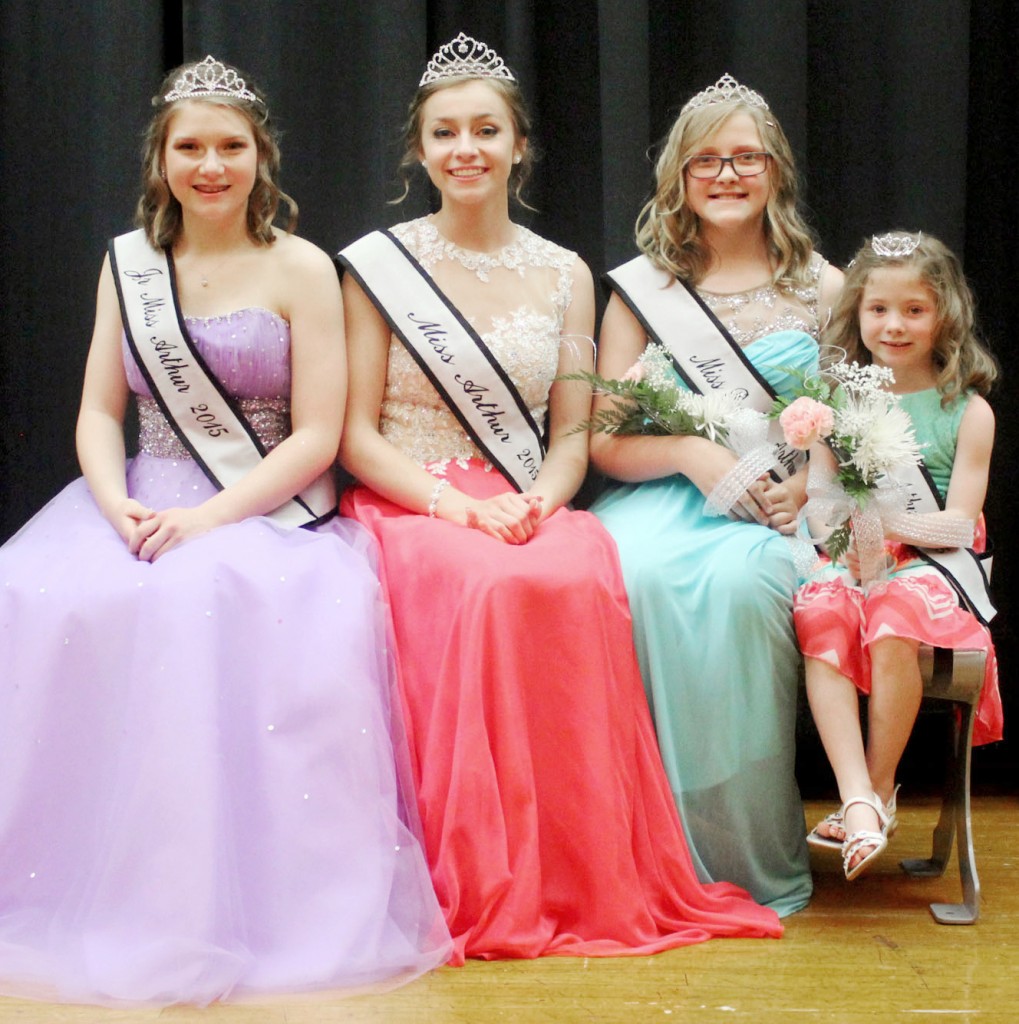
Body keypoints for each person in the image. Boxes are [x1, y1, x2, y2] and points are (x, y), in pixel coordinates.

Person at [0, 56, 449, 1006]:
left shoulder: (300, 266)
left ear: (261, 156)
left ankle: (230, 908)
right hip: (141, 493)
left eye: (230, 146)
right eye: (190, 147)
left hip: (260, 507)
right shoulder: (127, 262)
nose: (211, 165)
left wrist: (204, 519)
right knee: (34, 586)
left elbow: (321, 435)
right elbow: (95, 411)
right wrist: (112, 497)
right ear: (160, 159)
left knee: (205, 598)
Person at [337, 36, 783, 962]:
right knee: (494, 588)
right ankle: (484, 875)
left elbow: (574, 433)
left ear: (519, 145)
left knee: (582, 570)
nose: (467, 148)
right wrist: (453, 508)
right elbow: (355, 436)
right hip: (414, 502)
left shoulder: (566, 272)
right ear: (418, 152)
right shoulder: (375, 267)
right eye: (445, 132)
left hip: (523, 496)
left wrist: (540, 498)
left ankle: (581, 872)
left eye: (486, 130)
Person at [588, 74, 843, 916]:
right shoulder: (639, 290)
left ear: (774, 171)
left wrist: (807, 486)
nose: (726, 175)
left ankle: (735, 854)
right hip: (668, 500)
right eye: (706, 161)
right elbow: (604, 440)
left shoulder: (825, 289)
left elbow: (858, 423)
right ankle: (635, 850)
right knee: (631, 572)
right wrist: (694, 457)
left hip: (784, 514)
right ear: (678, 177)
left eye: (745, 158)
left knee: (740, 588)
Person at [796, 230, 1001, 880]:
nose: (893, 324)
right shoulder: (836, 404)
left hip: (934, 566)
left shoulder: (965, 411)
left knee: (893, 615)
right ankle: (854, 796)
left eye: (913, 309)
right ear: (856, 310)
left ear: (944, 313)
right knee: (822, 605)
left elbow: (957, 523)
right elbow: (818, 505)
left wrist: (882, 522)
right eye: (878, 309)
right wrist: (847, 538)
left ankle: (879, 787)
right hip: (848, 558)